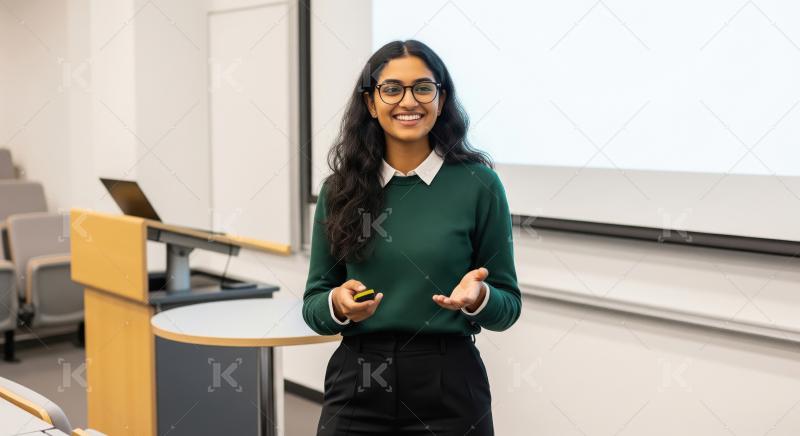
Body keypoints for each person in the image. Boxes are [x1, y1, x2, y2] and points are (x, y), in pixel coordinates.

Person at [303, 39, 521, 436]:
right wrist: (336, 303)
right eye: (391, 89)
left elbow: (508, 306)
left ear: (441, 99)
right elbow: (314, 304)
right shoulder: (340, 190)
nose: (409, 101)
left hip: (449, 383)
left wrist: (480, 299)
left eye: (423, 87)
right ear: (371, 103)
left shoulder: (479, 185)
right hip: (358, 378)